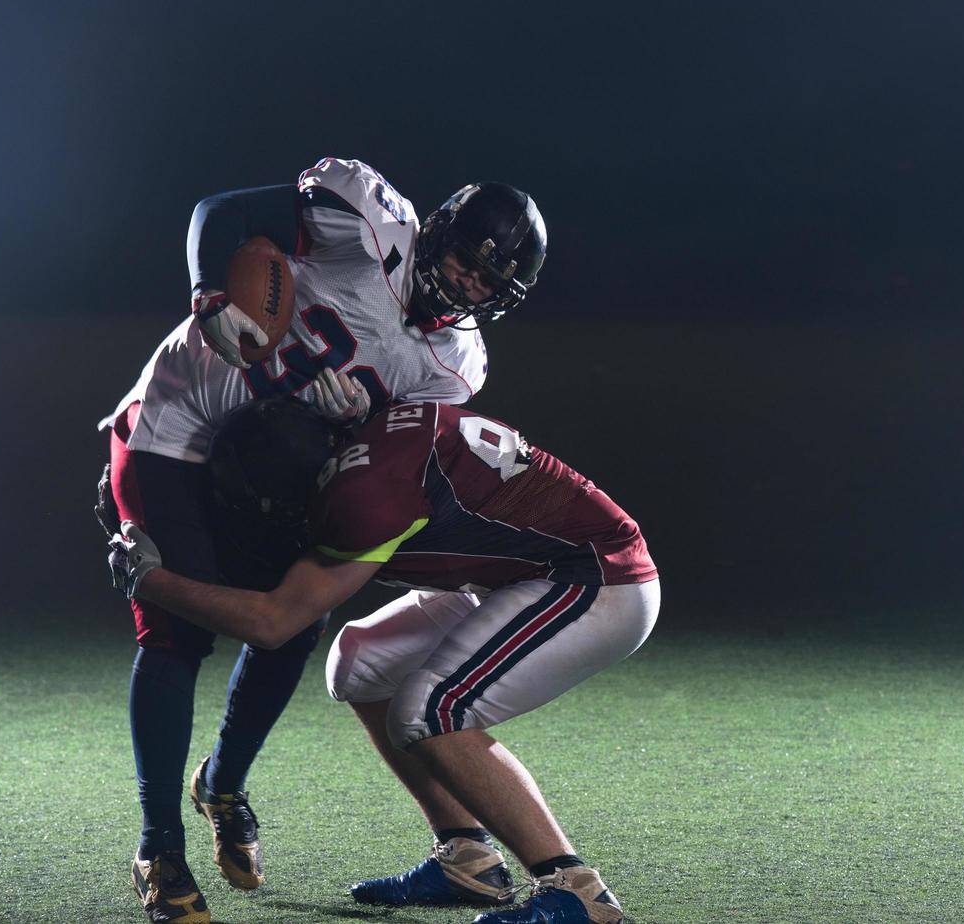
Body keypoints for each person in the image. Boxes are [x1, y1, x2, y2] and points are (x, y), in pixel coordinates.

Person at [98, 157, 547, 924]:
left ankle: (223, 785)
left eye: (485, 283)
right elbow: (220, 210)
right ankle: (158, 846)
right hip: (177, 425)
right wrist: (211, 296)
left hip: (275, 467)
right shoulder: (363, 216)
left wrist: (354, 426)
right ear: (434, 232)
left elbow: (386, 453)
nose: (467, 285)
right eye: (463, 264)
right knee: (174, 638)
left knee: (290, 626)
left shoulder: (456, 364)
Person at [107, 397, 660, 924]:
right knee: (360, 661)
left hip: (593, 579)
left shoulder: (361, 498)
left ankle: (575, 890)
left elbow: (273, 624)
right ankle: (467, 859)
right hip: (519, 572)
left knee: (432, 711)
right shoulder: (366, 434)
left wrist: (153, 582)